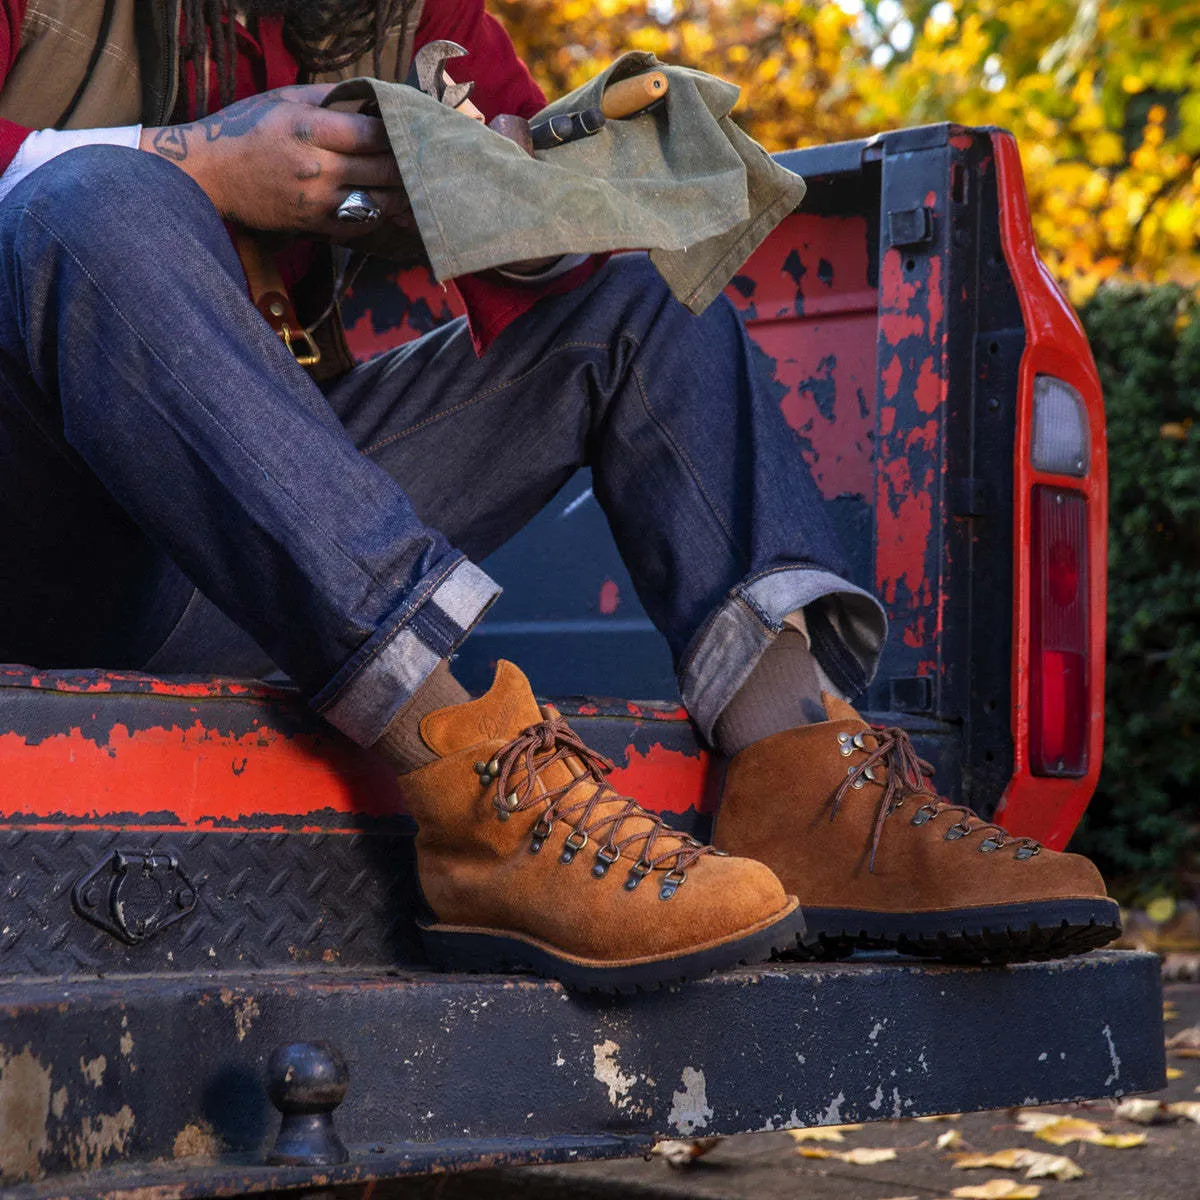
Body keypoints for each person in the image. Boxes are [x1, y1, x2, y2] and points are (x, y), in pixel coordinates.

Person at [0, 0, 1119, 992]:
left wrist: (536, 185)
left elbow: (551, 265)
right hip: (43, 551)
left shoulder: (421, 18)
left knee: (637, 293)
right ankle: (471, 777)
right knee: (94, 199)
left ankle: (805, 785)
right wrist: (186, 160)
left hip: (249, 552)